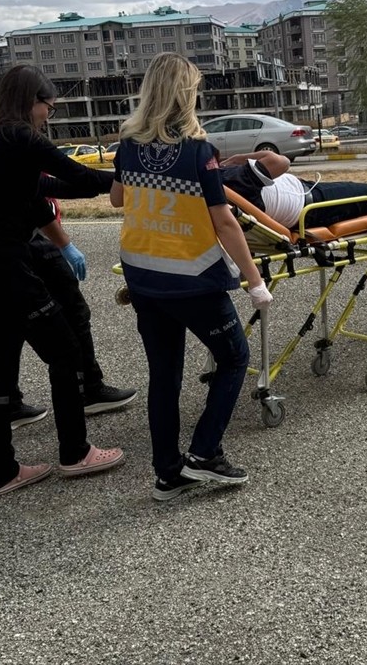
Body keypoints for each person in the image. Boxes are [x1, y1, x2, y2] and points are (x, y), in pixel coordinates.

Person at [0, 65, 125, 496]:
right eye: (49, 106)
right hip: (4, 270)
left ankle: (4, 472)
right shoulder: (21, 137)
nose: (49, 114)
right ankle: (76, 453)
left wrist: (109, 183)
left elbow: (42, 188)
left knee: (0, 370)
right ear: (33, 100)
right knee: (65, 355)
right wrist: (128, 177)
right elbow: (76, 177)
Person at [111, 52, 273, 503]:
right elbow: (224, 222)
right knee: (234, 358)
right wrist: (254, 280)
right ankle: (204, 455)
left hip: (144, 275)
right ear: (187, 94)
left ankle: (168, 474)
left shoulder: (127, 143)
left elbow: (117, 199)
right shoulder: (200, 152)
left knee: (164, 376)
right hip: (192, 277)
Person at [6, 191, 139, 431]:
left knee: (7, 328)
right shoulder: (20, 156)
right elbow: (44, 187)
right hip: (32, 241)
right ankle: (89, 389)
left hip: (0, 249)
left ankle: (8, 402)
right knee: (73, 317)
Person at [218, 150, 367, 229]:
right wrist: (240, 158)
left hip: (304, 193)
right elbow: (280, 161)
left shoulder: (219, 191)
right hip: (311, 207)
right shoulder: (231, 178)